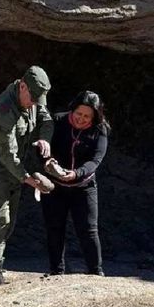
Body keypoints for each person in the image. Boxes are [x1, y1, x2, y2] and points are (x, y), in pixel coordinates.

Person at [0, 65, 54, 287]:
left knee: (8, 223)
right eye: (33, 99)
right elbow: (7, 154)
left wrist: (45, 138)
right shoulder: (1, 111)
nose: (35, 104)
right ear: (22, 86)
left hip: (14, 171)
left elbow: (46, 119)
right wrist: (28, 179)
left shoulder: (33, 100)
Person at [41, 90, 110, 276]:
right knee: (54, 228)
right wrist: (48, 162)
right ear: (73, 109)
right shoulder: (58, 120)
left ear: (94, 116)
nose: (81, 119)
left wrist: (76, 174)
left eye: (87, 116)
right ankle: (56, 271)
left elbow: (95, 160)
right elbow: (43, 147)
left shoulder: (100, 129)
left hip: (83, 186)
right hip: (55, 185)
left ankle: (96, 272)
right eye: (79, 113)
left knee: (88, 230)